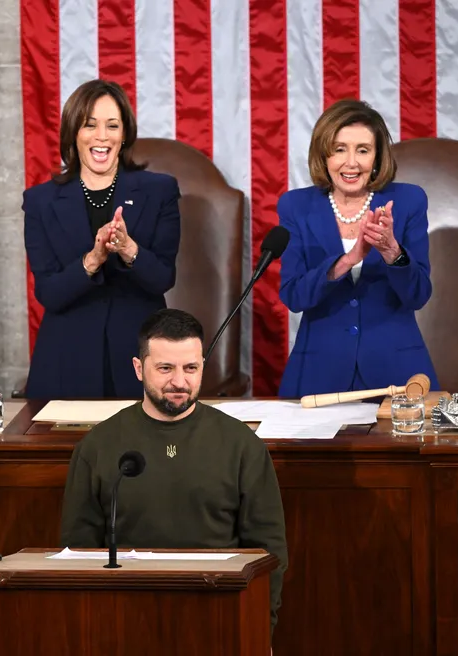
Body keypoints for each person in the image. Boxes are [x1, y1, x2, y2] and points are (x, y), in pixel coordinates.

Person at [60, 309, 288, 636]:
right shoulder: (98, 446)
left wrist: (259, 630)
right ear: (139, 369)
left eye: (191, 368)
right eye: (165, 368)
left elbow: (270, 554)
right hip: (124, 618)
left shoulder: (241, 444)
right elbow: (77, 555)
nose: (179, 382)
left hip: (220, 614)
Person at [23, 79, 181, 399]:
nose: (101, 136)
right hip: (66, 362)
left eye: (112, 125)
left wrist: (128, 248)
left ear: (124, 134)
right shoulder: (40, 201)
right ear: (74, 134)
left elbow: (163, 277)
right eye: (90, 125)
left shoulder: (159, 191)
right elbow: (49, 293)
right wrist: (92, 260)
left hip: (139, 357)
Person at [277, 99, 440, 398]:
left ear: (377, 157)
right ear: (323, 155)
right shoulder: (296, 206)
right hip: (318, 374)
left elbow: (418, 294)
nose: (351, 162)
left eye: (363, 150)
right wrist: (348, 260)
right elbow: (293, 295)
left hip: (396, 372)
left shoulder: (408, 201)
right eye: (339, 149)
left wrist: (392, 251)